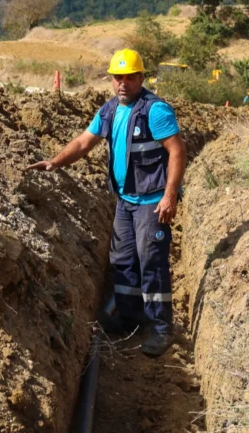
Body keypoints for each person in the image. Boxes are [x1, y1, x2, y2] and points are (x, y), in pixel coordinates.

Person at [26, 49, 187, 356]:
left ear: (141, 77)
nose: (123, 83)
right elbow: (84, 142)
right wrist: (55, 162)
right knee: (124, 261)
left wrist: (170, 195)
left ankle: (162, 329)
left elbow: (177, 151)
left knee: (151, 263)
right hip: (125, 200)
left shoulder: (155, 111)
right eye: (118, 78)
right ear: (111, 80)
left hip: (152, 201)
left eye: (129, 77)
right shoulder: (110, 110)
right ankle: (130, 318)